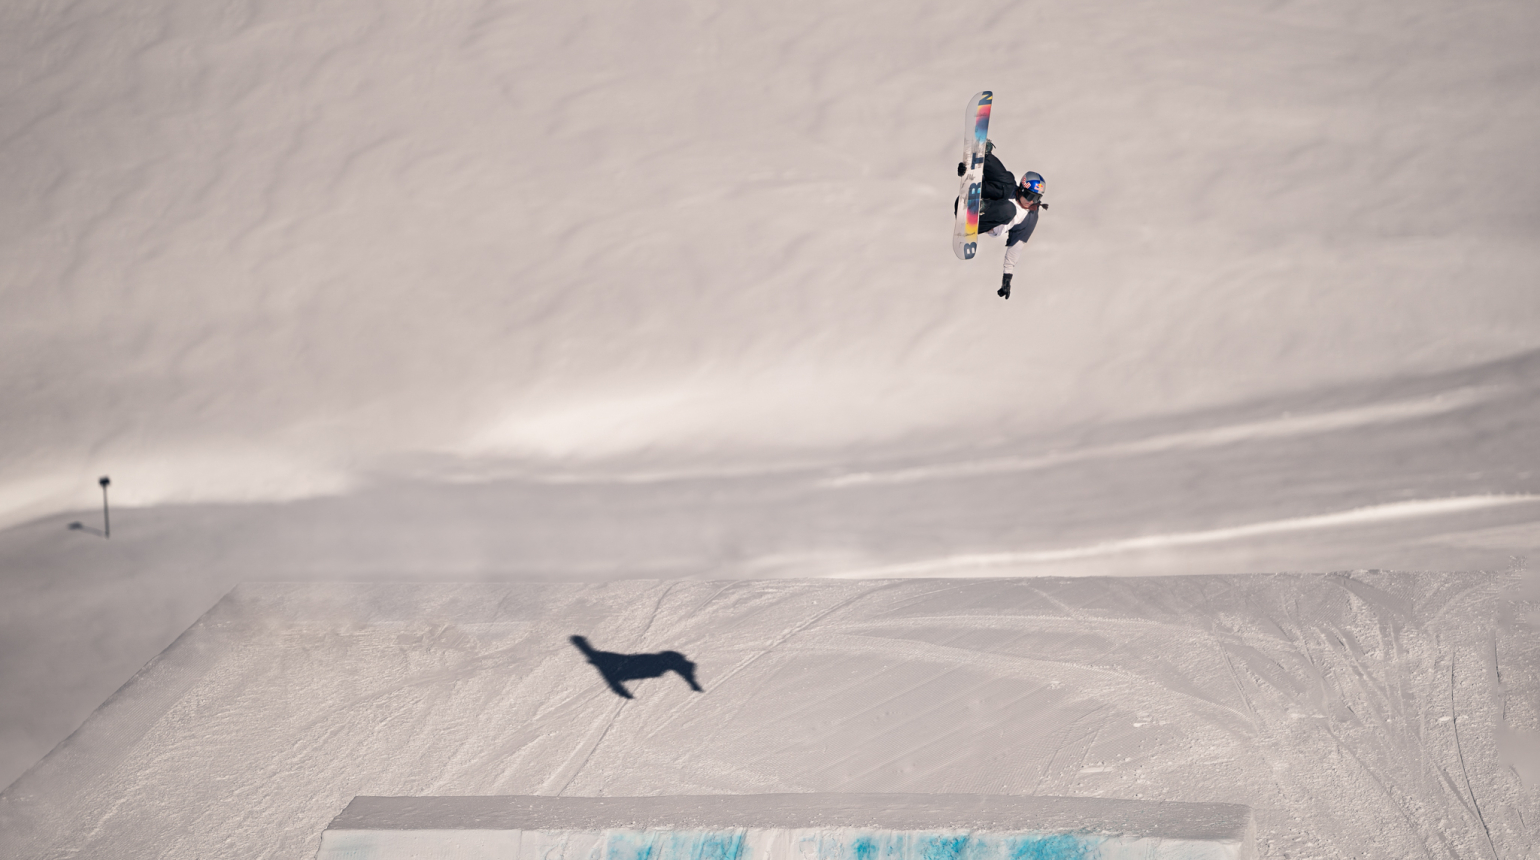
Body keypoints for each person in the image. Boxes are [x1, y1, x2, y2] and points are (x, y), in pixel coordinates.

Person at [958, 143, 1046, 299]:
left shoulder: (1029, 218)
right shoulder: (1011, 189)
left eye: (1037, 198)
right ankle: (983, 155)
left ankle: (977, 210)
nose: (1032, 202)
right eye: (1031, 196)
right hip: (969, 199)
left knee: (1008, 210)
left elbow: (1015, 248)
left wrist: (1007, 278)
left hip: (981, 223)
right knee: (1007, 181)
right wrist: (967, 172)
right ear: (1023, 189)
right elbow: (987, 181)